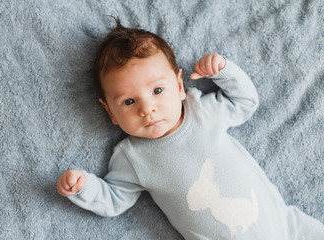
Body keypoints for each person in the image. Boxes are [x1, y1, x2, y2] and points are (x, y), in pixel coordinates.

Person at [57, 19, 324, 239]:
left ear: (180, 85)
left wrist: (223, 71)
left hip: (287, 227)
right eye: (128, 101)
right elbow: (114, 199)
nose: (147, 109)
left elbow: (245, 102)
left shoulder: (203, 112)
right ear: (110, 112)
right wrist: (84, 187)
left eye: (157, 91)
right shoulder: (132, 157)